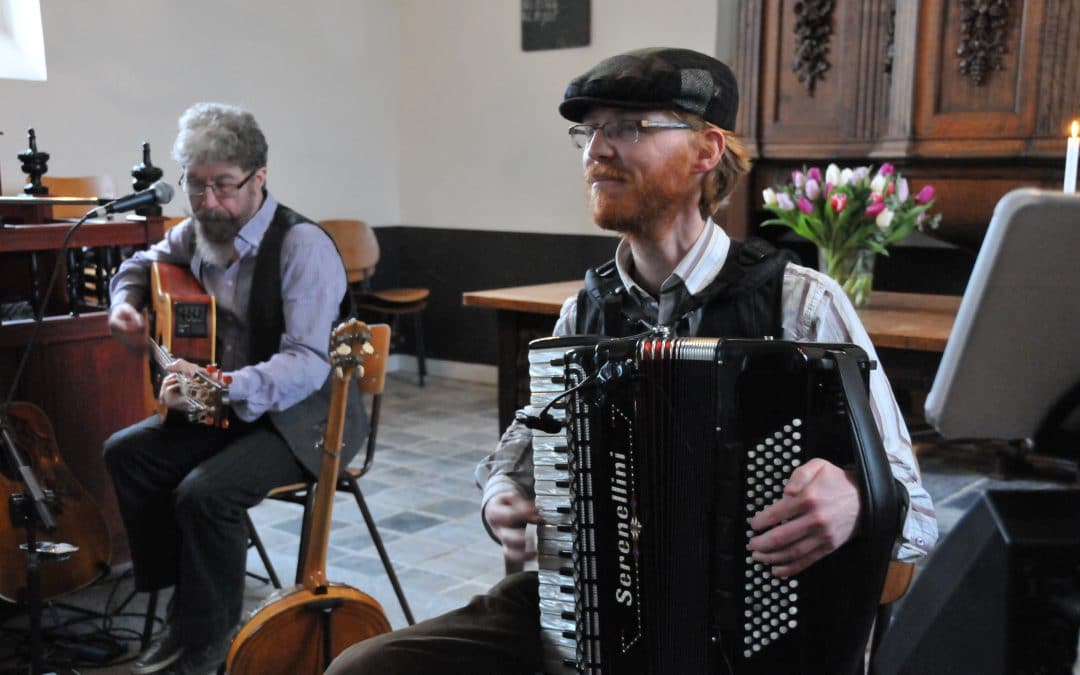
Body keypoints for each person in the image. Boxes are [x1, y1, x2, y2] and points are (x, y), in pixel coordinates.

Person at [326, 47, 938, 674]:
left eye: (628, 128)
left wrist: (860, 498)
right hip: (589, 609)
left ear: (706, 152)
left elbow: (915, 507)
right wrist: (502, 492)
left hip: (755, 632)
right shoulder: (581, 316)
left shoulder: (799, 304)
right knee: (364, 670)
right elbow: (514, 455)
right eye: (589, 132)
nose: (596, 150)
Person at [104, 102, 366, 675]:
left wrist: (224, 386)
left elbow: (307, 362)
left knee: (206, 494)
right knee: (127, 453)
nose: (209, 202)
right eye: (195, 186)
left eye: (223, 185)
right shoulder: (194, 233)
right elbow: (138, 263)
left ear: (258, 178)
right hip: (231, 405)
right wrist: (125, 304)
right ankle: (192, 604)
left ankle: (206, 645)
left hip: (309, 417)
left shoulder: (303, 247)